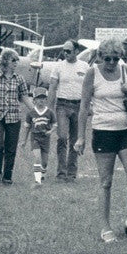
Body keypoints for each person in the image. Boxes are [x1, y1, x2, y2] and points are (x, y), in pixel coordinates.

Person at [73, 39, 127, 243]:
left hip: (126, 130)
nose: (112, 62)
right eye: (108, 59)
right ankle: (105, 227)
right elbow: (83, 107)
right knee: (106, 182)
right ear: (99, 57)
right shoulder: (92, 73)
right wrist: (81, 137)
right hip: (103, 131)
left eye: (116, 58)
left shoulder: (124, 70)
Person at [0, 47, 35, 186]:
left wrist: (36, 112)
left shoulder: (19, 79)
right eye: (14, 60)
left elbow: (25, 97)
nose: (16, 63)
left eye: (17, 60)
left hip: (14, 116)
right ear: (5, 61)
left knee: (11, 147)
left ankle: (7, 176)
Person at [47, 40, 89, 182]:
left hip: (79, 106)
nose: (65, 53)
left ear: (76, 51)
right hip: (62, 105)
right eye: (64, 50)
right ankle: (61, 173)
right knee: (62, 137)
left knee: (75, 141)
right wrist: (49, 110)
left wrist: (90, 106)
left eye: (69, 51)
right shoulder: (58, 66)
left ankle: (71, 174)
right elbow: (52, 88)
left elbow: (89, 89)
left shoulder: (84, 66)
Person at [20, 86, 57, 185]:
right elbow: (27, 127)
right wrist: (24, 140)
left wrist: (51, 131)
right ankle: (37, 180)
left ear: (46, 99)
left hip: (45, 138)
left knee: (44, 162)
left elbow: (54, 124)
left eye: (43, 98)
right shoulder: (31, 113)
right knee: (37, 158)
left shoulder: (50, 112)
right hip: (35, 137)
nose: (41, 100)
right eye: (38, 98)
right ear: (34, 100)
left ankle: (43, 172)